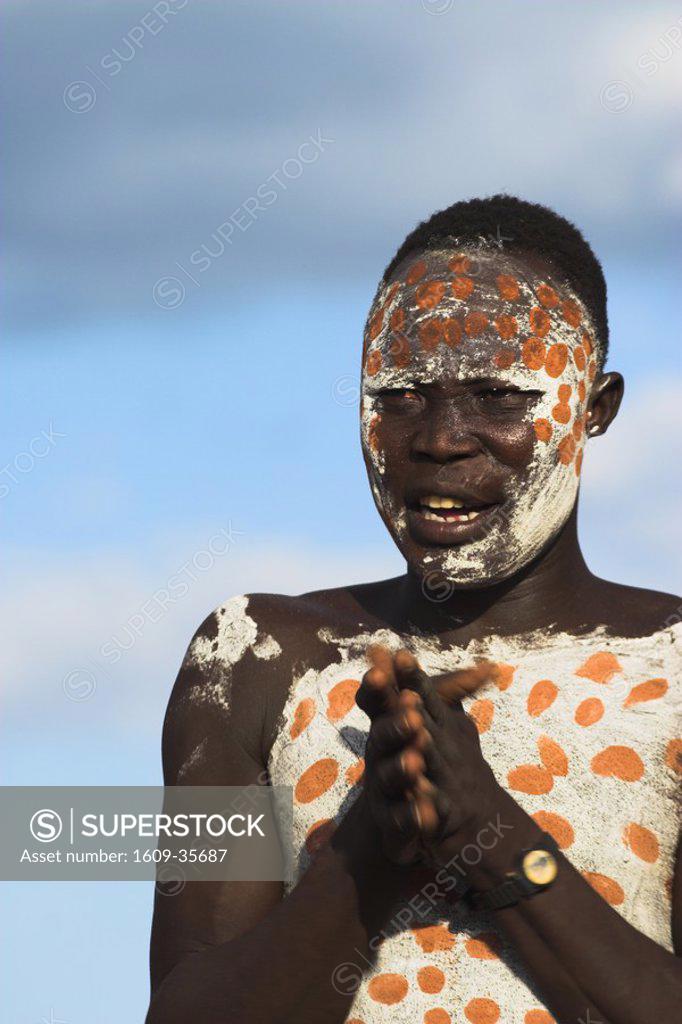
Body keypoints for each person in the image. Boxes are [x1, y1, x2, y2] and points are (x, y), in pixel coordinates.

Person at [146, 195, 681, 1024]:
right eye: (398, 397)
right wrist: (370, 849)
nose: (439, 438)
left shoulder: (670, 668)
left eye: (499, 396)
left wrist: (492, 832)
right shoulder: (254, 659)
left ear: (595, 409)